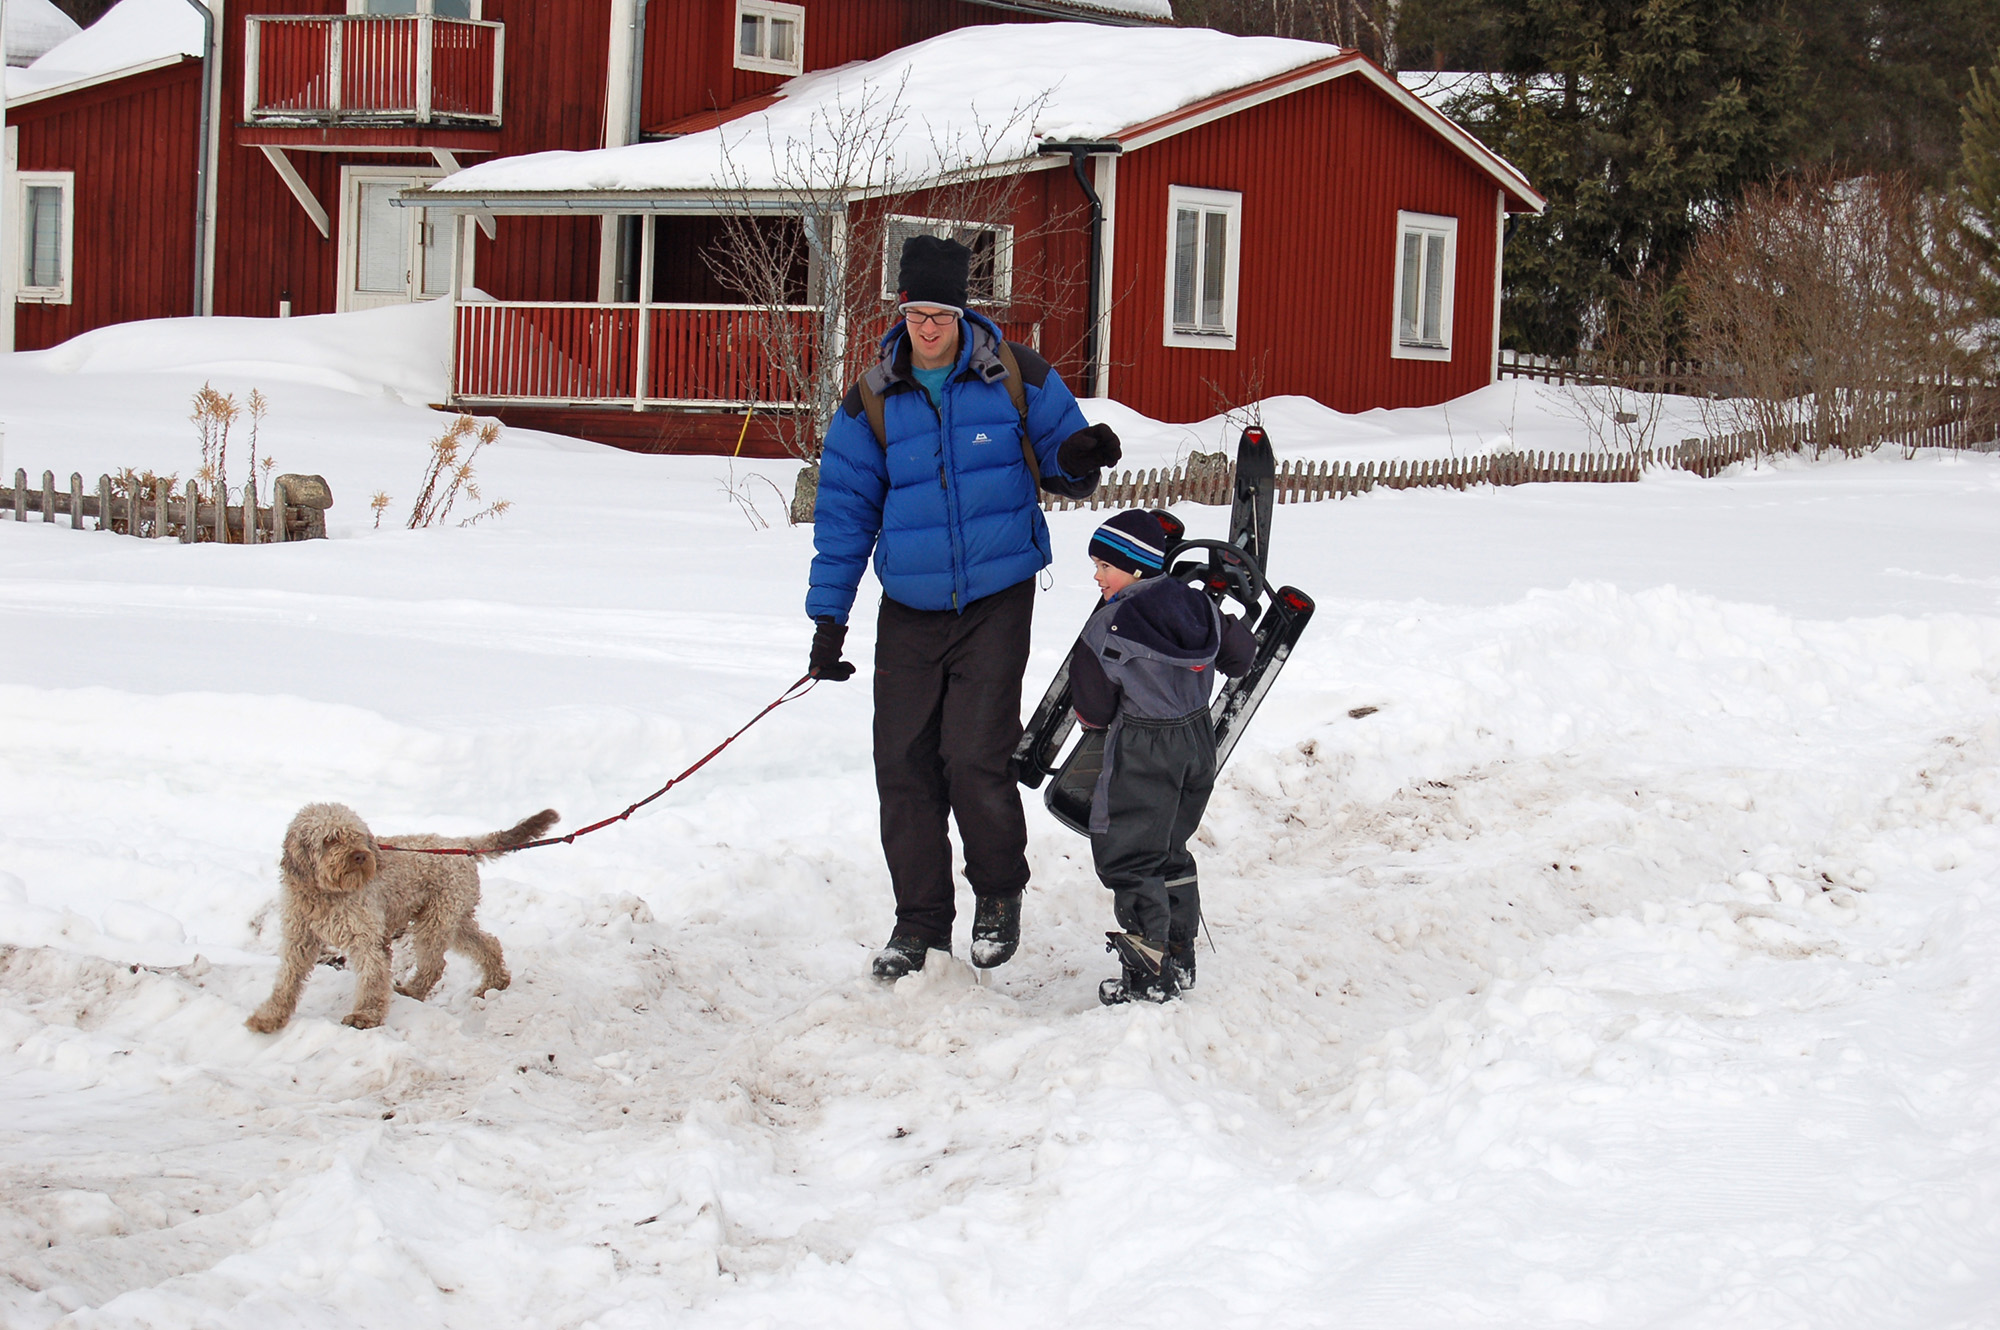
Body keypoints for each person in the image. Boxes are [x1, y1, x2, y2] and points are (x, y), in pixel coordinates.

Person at [806, 234, 1123, 981]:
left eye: (939, 312)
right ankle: (918, 924)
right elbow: (844, 517)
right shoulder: (872, 399)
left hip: (995, 596)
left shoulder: (1016, 376)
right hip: (910, 607)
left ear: (961, 311)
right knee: (902, 764)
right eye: (915, 311)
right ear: (902, 312)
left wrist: (1078, 460)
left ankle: (998, 896)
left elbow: (1062, 456)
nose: (927, 325)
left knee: (974, 757)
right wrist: (829, 621)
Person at [1068, 509, 1257, 1004]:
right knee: (1171, 845)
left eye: (1104, 566)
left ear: (1133, 569)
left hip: (1142, 747)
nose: (1097, 576)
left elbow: (1091, 709)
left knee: (1128, 853)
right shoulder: (1200, 607)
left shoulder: (1107, 625)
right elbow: (1240, 658)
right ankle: (1180, 951)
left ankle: (1149, 969)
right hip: (1197, 741)